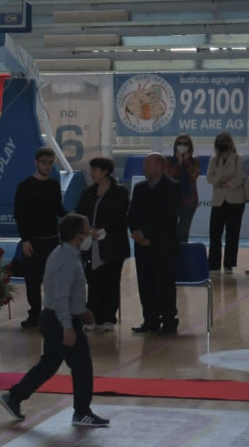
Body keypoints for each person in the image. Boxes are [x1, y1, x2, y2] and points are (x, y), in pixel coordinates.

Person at [0, 213, 110, 428]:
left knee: (49, 364)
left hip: (54, 318)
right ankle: (82, 412)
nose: (90, 234)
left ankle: (14, 396)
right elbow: (61, 297)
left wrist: (81, 312)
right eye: (87, 231)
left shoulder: (64, 253)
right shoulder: (67, 260)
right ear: (78, 236)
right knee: (82, 366)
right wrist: (68, 327)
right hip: (60, 320)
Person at [73, 157, 130, 331]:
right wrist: (86, 230)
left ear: (105, 171)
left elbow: (120, 217)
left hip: (112, 243)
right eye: (91, 170)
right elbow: (79, 213)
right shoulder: (88, 192)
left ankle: (108, 318)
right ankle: (93, 317)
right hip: (91, 244)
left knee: (111, 281)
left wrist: (102, 230)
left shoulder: (120, 192)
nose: (91, 173)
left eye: (95, 170)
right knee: (93, 281)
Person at [13, 148, 68, 329]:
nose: (47, 166)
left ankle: (53, 313)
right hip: (33, 240)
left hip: (52, 239)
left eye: (51, 163)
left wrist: (72, 219)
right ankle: (35, 314)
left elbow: (58, 208)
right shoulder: (25, 186)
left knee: (54, 280)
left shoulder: (53, 185)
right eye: (44, 162)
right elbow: (20, 215)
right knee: (32, 280)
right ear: (36, 162)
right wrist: (25, 240)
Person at [128, 153, 181, 336]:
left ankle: (168, 321)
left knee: (164, 284)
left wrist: (145, 234)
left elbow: (167, 216)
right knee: (145, 284)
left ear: (160, 167)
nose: (144, 168)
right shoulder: (140, 187)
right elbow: (132, 214)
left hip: (163, 244)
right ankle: (150, 320)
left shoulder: (172, 187)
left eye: (148, 164)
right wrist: (136, 232)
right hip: (142, 245)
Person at [207, 131, 245, 274]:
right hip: (218, 202)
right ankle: (214, 265)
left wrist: (223, 182)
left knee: (232, 234)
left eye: (225, 141)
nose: (222, 143)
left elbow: (240, 178)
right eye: (220, 141)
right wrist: (223, 179)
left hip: (235, 201)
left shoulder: (239, 158)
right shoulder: (214, 159)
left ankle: (229, 264)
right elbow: (209, 178)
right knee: (215, 233)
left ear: (231, 143)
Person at [165, 134, 200, 242]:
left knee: (184, 230)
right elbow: (169, 175)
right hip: (171, 199)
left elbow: (194, 175)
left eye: (185, 144)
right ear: (175, 145)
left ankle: (183, 250)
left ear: (190, 146)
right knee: (170, 228)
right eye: (179, 143)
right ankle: (171, 251)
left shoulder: (195, 161)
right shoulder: (169, 160)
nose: (182, 146)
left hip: (189, 199)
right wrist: (179, 163)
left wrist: (187, 162)